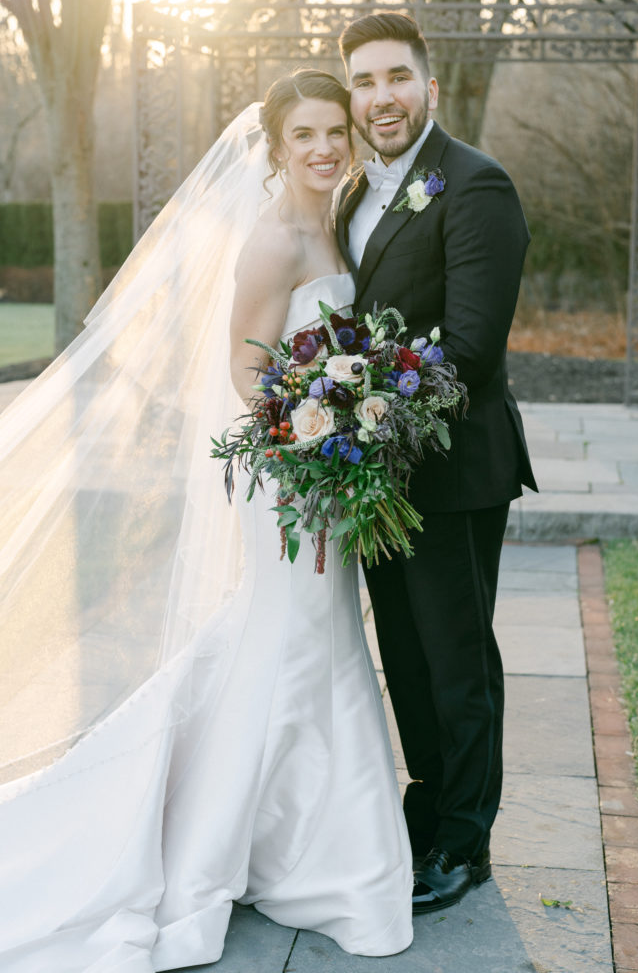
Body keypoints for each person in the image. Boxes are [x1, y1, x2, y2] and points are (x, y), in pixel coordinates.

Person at [0, 70, 413, 972]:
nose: (324, 147)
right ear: (272, 148)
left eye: (334, 130)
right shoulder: (272, 239)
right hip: (291, 471)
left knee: (311, 640)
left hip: (320, 469)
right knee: (296, 643)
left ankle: (299, 843)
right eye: (303, 134)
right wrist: (317, 425)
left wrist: (353, 404)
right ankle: (267, 854)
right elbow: (242, 362)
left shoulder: (330, 219)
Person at [336, 12, 538, 914]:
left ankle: (467, 843)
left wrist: (367, 415)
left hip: (451, 473)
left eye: (395, 78)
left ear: (428, 84)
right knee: (406, 660)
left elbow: (470, 347)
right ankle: (428, 807)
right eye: (365, 83)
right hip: (373, 474)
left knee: (457, 661)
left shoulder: (474, 185)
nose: (381, 98)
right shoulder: (353, 191)